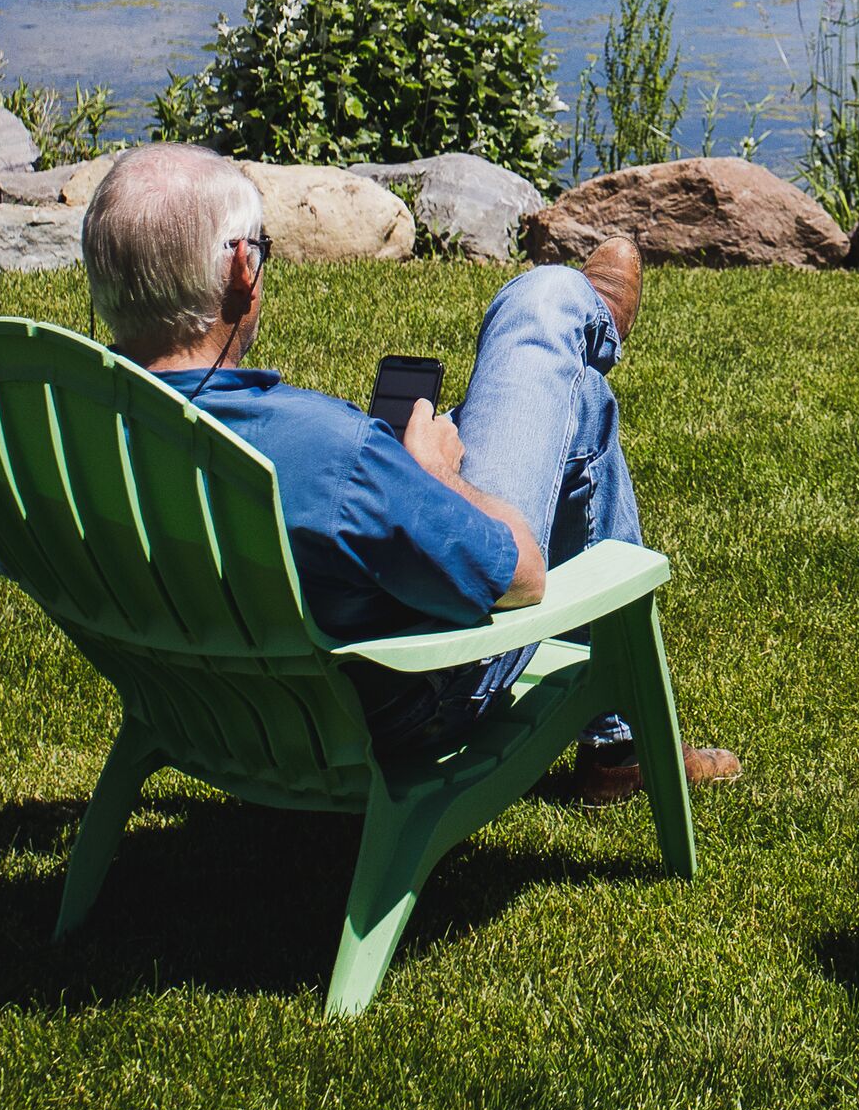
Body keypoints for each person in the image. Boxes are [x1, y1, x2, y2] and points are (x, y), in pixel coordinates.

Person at [77, 142, 740, 806]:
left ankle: (617, 750)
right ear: (243, 271)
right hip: (408, 697)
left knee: (579, 400)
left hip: (207, 708)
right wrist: (433, 475)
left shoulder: (62, 431)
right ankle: (585, 319)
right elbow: (521, 575)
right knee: (545, 303)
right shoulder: (321, 452)